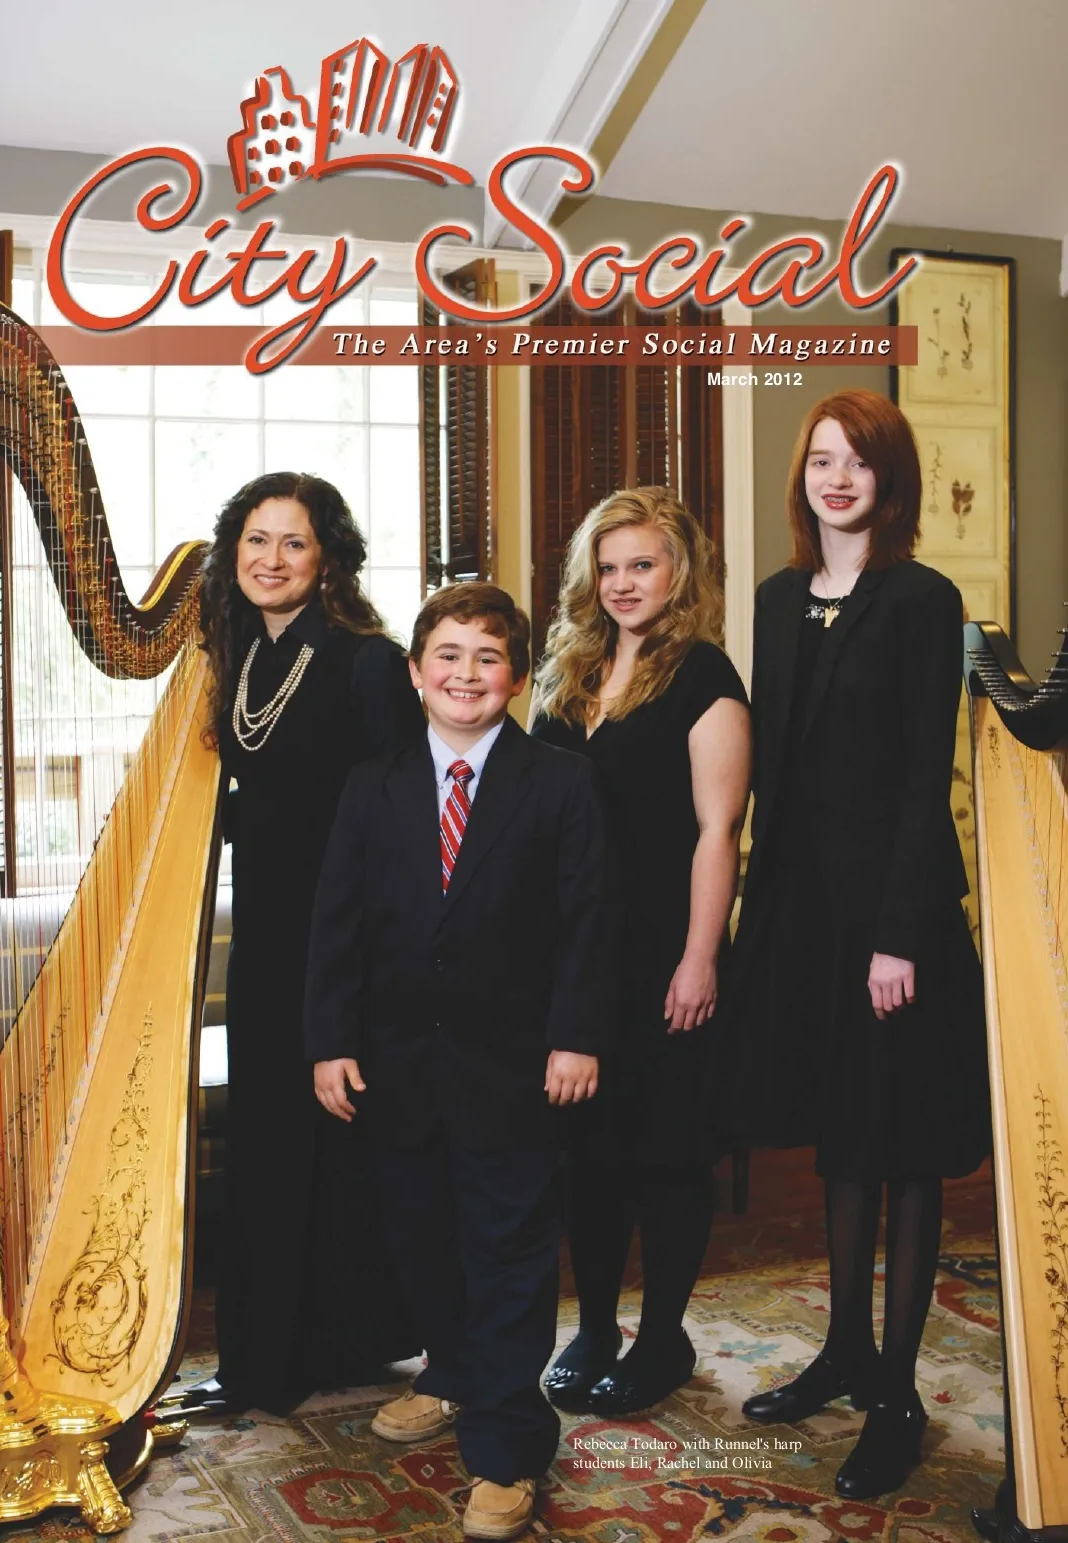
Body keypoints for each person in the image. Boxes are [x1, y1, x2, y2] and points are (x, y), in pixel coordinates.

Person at [304, 583, 613, 1542]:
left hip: (516, 1069)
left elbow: (588, 923)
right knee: (423, 1241)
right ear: (415, 672)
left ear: (516, 677)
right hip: (397, 1065)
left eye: (487, 657)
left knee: (508, 1256)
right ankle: (450, 1372)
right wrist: (329, 1041)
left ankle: (508, 1447)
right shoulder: (374, 783)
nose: (465, 674)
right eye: (447, 654)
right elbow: (337, 924)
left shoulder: (560, 782)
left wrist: (577, 1035)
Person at [728, 390, 991, 1499]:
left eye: (859, 462)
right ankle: (842, 1349)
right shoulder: (777, 598)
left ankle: (897, 1394)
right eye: (821, 461)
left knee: (903, 1145)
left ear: (891, 479)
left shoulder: (924, 599)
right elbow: (777, 771)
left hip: (896, 922)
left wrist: (898, 934)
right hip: (804, 918)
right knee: (843, 1134)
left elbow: (923, 775)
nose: (837, 479)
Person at [185, 470, 425, 1417]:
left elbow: (403, 816)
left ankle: (315, 1348)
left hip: (345, 940)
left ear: (327, 558)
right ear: (233, 553)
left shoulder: (368, 662)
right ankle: (282, 1351)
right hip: (267, 938)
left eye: (293, 541)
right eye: (256, 539)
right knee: (272, 1141)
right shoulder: (240, 657)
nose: (272, 558)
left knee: (332, 1144)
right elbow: (266, 798)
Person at [530, 487, 751, 1417]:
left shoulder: (705, 677)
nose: (623, 583)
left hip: (664, 946)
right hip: (574, 951)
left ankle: (662, 1336)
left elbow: (718, 831)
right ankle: (593, 1329)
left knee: (665, 1150)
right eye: (608, 566)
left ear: (678, 573)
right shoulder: (568, 671)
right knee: (587, 1153)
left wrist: (700, 957)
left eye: (642, 565)